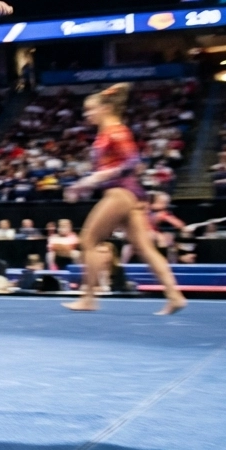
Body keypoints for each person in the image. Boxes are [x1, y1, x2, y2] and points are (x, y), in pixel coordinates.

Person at [63, 84, 186, 314]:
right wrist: (85, 184)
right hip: (125, 194)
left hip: (121, 193)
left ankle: (88, 297)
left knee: (88, 241)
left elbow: (133, 162)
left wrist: (94, 179)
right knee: (144, 248)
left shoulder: (116, 131)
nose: (87, 115)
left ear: (106, 108)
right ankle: (174, 295)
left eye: (91, 110)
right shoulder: (104, 133)